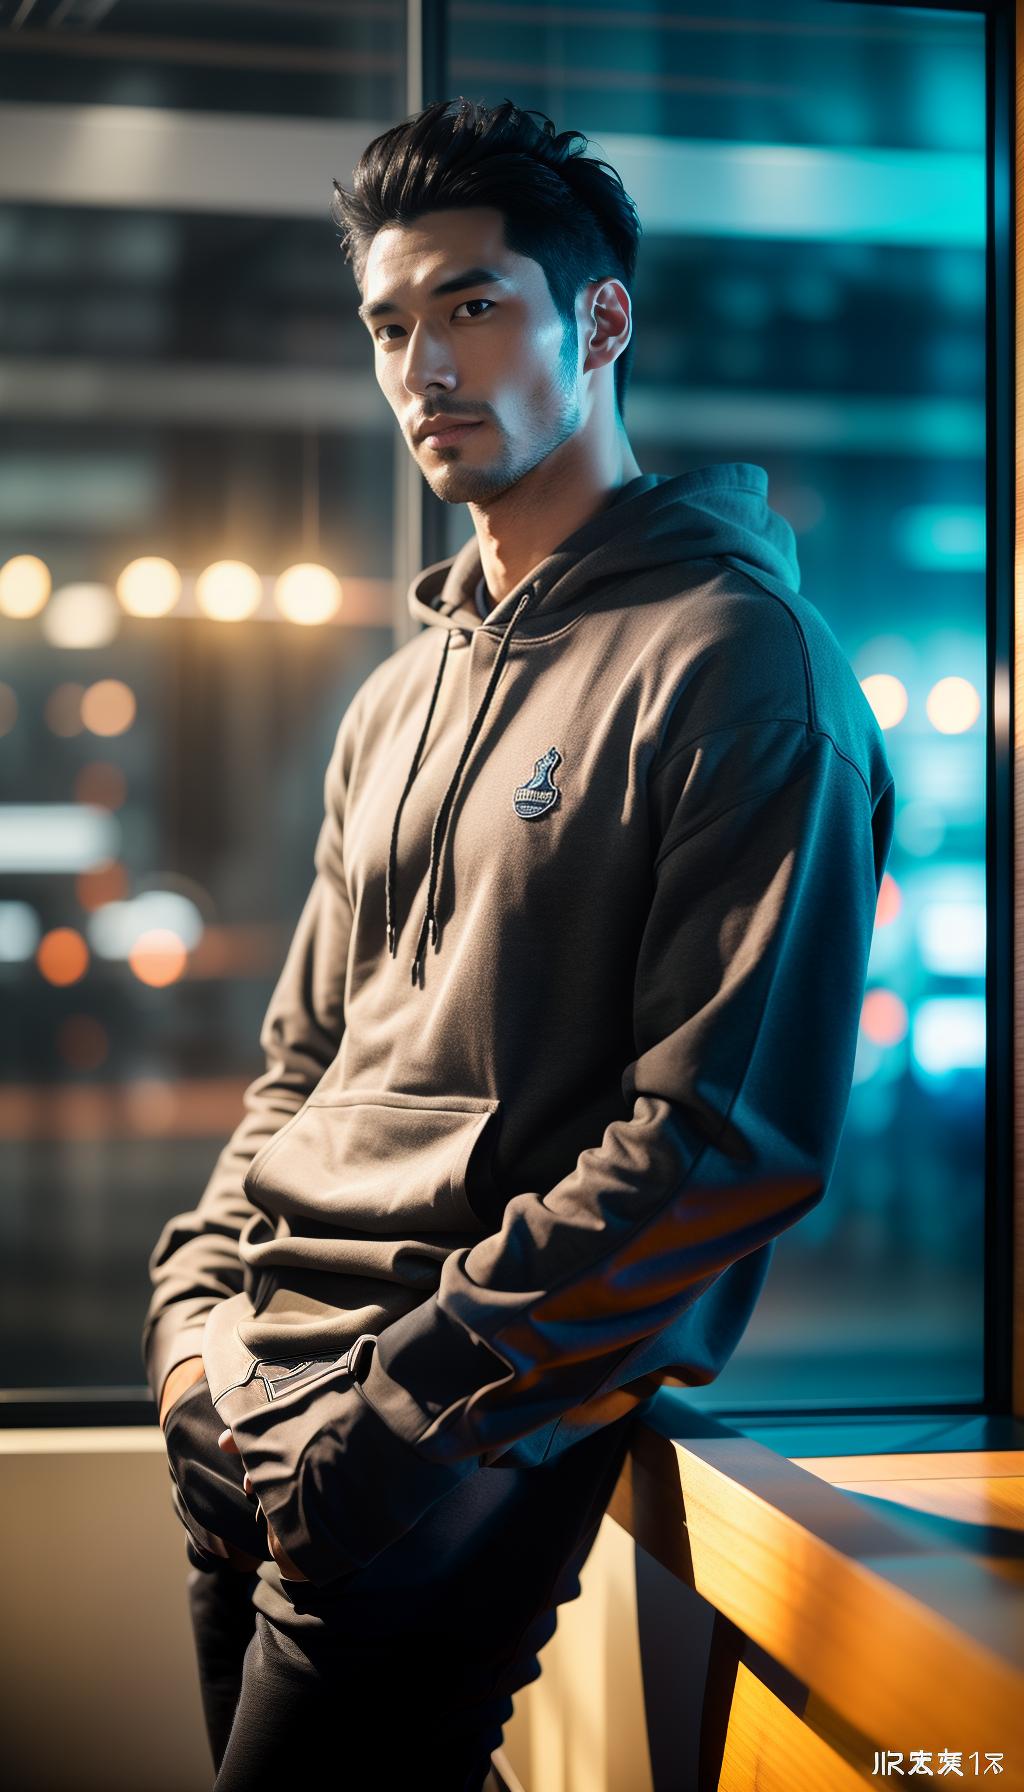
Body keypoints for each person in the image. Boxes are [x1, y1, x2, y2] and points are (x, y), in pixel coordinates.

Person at [145, 95, 896, 1790]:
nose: (422, 364)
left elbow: (723, 1143)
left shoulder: (744, 666)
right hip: (247, 1402)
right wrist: (189, 1322)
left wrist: (408, 1404)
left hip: (431, 1429)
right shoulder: (399, 690)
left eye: (472, 304)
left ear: (601, 320)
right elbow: (302, 1066)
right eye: (390, 323)